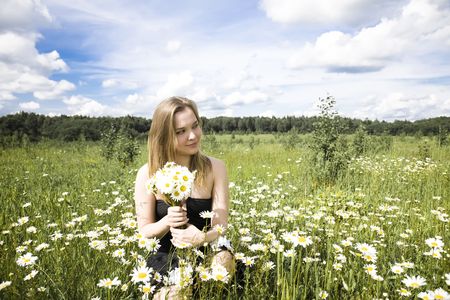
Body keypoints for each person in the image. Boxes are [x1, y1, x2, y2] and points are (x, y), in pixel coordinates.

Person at [134, 96, 235, 299]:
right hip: (165, 254)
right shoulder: (148, 173)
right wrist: (167, 221)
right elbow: (145, 231)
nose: (192, 136)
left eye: (195, 126)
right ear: (163, 136)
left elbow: (221, 225)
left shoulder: (215, 167)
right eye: (181, 132)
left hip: (207, 247)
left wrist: (201, 237)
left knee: (223, 259)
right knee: (176, 294)